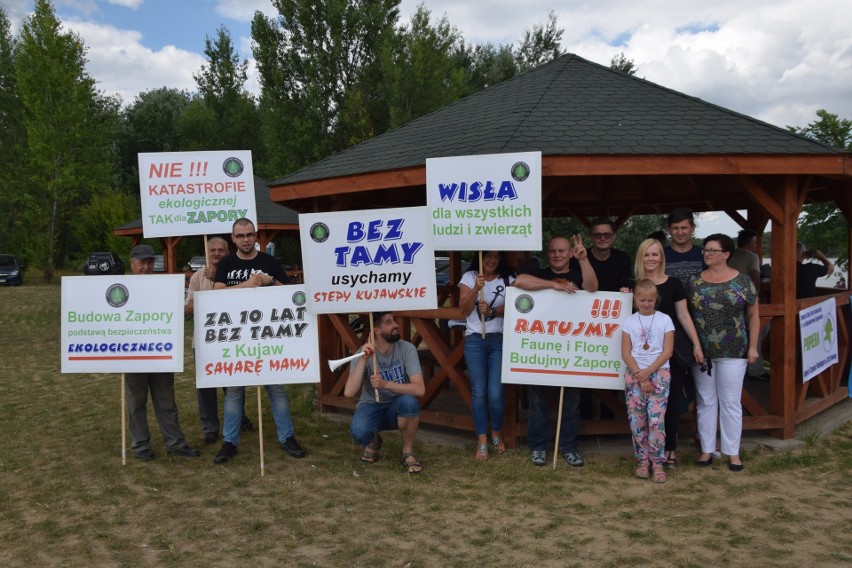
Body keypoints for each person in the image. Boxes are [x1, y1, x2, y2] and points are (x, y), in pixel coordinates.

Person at [211, 218, 306, 464]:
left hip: (268, 337)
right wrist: (247, 284)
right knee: (234, 392)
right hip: (235, 339)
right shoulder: (226, 263)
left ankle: (287, 437)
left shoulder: (270, 262)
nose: (245, 239)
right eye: (240, 235)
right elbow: (216, 295)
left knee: (276, 390)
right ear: (233, 238)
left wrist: (270, 281)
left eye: (250, 235)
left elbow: (290, 294)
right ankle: (229, 442)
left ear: (256, 236)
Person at [514, 235, 598, 467]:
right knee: (538, 401)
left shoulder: (581, 270)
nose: (558, 255)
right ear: (548, 254)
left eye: (562, 251)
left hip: (572, 350)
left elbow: (592, 287)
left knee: (571, 402)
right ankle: (538, 447)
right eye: (553, 251)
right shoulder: (540, 274)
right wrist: (553, 284)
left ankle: (569, 447)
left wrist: (584, 260)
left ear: (570, 252)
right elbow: (519, 281)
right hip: (542, 350)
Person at [687, 234, 759, 472]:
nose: (707, 254)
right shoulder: (694, 282)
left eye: (712, 250)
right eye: (705, 250)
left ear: (726, 254)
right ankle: (707, 449)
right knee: (706, 401)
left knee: (730, 401)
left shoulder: (742, 281)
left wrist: (753, 347)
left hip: (734, 348)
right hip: (702, 352)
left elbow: (753, 315)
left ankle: (732, 452)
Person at [125, 244, 201, 461]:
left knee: (166, 401)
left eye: (150, 262)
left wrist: (189, 308)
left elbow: (180, 312)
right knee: (136, 403)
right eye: (142, 262)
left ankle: (175, 443)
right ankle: (140, 446)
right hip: (133, 357)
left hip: (161, 354)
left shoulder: (166, 287)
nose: (146, 267)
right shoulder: (122, 288)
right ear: (133, 264)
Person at [634, 238, 704, 467]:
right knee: (640, 405)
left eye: (655, 254)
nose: (651, 259)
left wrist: (696, 344)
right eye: (647, 254)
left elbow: (683, 316)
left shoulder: (674, 284)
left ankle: (669, 448)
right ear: (640, 257)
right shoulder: (630, 284)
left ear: (661, 258)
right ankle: (644, 453)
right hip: (639, 356)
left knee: (671, 400)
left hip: (668, 352)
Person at [184, 236, 252, 444]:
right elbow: (187, 308)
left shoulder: (236, 273)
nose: (216, 254)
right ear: (207, 252)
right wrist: (207, 299)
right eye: (212, 250)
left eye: (220, 250)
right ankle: (210, 427)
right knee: (205, 386)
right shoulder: (197, 277)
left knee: (233, 382)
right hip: (204, 341)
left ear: (227, 252)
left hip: (231, 339)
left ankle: (238, 417)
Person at [345, 312, 426, 474]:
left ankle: (407, 452)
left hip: (397, 405)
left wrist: (386, 384)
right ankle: (374, 441)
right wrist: (362, 359)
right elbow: (349, 392)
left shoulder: (407, 349)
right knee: (359, 433)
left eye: (394, 321)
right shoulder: (363, 353)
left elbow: (419, 389)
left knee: (410, 402)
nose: (395, 325)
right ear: (377, 330)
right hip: (371, 405)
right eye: (389, 322)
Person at [458, 251, 515, 461]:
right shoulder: (470, 277)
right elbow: (463, 310)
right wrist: (476, 289)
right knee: (479, 392)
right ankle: (482, 439)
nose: (491, 260)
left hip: (499, 340)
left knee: (496, 394)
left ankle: (496, 433)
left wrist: (492, 312)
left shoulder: (509, 279)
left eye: (496, 257)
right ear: (480, 258)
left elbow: (518, 307)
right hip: (475, 340)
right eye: (487, 256)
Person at [621, 279, 675, 483]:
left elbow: (667, 350)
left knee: (655, 420)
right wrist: (639, 374)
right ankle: (642, 460)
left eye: (650, 300)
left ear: (656, 300)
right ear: (635, 299)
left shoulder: (665, 320)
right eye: (642, 300)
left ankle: (658, 462)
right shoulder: (629, 322)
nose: (646, 304)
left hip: (659, 373)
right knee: (637, 420)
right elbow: (625, 352)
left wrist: (649, 372)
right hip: (635, 374)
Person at [587, 217, 633, 292]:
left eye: (607, 235)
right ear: (591, 237)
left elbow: (627, 285)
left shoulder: (623, 258)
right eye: (598, 235)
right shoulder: (580, 258)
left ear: (614, 236)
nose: (602, 238)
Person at [664, 208, 704, 287]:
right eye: (675, 228)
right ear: (669, 230)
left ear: (692, 228)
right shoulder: (660, 255)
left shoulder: (705, 255)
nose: (680, 232)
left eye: (684, 228)